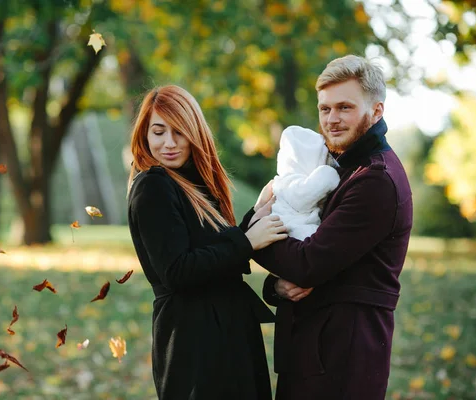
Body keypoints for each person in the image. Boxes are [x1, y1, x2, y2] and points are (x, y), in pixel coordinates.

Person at [242, 55, 413, 399]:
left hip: (344, 361)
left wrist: (253, 226)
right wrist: (277, 287)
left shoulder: (375, 179)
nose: (332, 120)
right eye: (325, 109)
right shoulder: (344, 166)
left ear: (376, 111)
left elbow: (308, 263)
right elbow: (318, 254)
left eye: (345, 108)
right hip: (313, 351)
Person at [127, 85, 287, 399]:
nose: (169, 143)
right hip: (194, 341)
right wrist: (246, 242)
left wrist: (254, 216)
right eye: (158, 132)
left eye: (179, 132)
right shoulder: (154, 185)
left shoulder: (191, 183)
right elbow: (177, 270)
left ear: (195, 134)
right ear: (144, 135)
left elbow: (209, 248)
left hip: (224, 334)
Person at [270, 125, 340, 240]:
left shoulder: (287, 180)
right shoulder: (290, 182)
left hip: (294, 225)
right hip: (289, 226)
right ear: (308, 159)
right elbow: (302, 198)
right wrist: (328, 172)